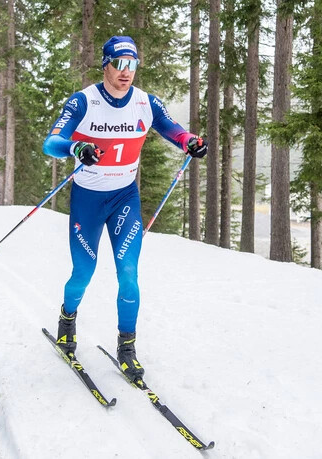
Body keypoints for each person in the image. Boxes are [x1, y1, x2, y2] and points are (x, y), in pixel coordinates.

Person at [42, 36, 208, 382]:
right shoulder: (82, 101)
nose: (125, 72)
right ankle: (67, 319)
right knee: (83, 271)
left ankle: (127, 348)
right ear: (106, 64)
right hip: (88, 200)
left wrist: (189, 141)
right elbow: (52, 142)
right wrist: (77, 147)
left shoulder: (146, 103)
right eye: (119, 64)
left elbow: (172, 129)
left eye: (132, 65)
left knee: (128, 274)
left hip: (124, 199)